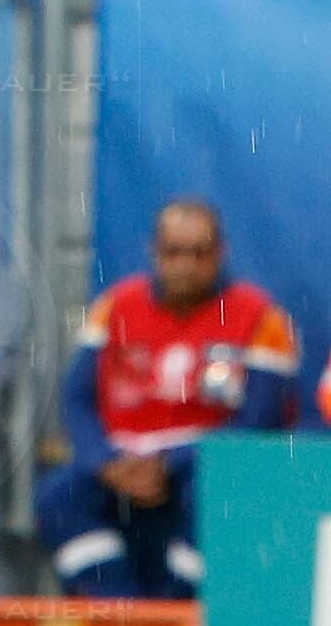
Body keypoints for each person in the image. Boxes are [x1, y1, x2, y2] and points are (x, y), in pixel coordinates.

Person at [37, 198, 299, 598]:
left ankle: (178, 610)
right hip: (122, 458)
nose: (186, 266)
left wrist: (170, 462)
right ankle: (119, 610)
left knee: (219, 495)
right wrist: (105, 461)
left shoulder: (260, 316)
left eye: (199, 253)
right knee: (57, 496)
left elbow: (261, 419)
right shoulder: (116, 306)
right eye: (174, 252)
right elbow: (76, 399)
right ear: (154, 252)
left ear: (220, 253)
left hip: (204, 459)